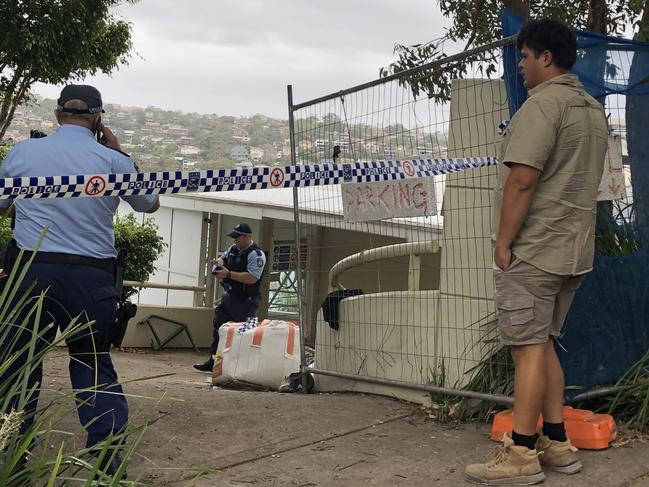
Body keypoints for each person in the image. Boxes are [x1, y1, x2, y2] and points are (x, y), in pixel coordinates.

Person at [465, 19, 608, 485]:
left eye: (525, 56)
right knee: (543, 344)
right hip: (573, 250)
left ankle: (522, 453)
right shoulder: (591, 108)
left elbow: (522, 180)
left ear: (546, 57)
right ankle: (558, 443)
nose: (520, 65)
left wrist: (502, 243)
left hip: (534, 249)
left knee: (526, 349)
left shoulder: (542, 105)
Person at [0, 84, 160, 475]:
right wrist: (119, 152)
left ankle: (11, 453)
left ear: (57, 115)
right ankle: (107, 456)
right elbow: (150, 203)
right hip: (92, 277)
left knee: (20, 362)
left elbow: (2, 206)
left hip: (32, 272)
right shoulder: (112, 161)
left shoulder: (23, 152)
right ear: (97, 119)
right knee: (92, 361)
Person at [194, 223, 266, 372]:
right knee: (219, 328)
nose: (234, 240)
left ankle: (241, 366)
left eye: (237, 237)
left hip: (248, 301)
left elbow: (252, 278)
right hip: (229, 296)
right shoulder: (233, 250)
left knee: (245, 334)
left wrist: (228, 274)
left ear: (247, 237)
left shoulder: (257, 255)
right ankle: (214, 361)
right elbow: (223, 259)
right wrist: (218, 264)